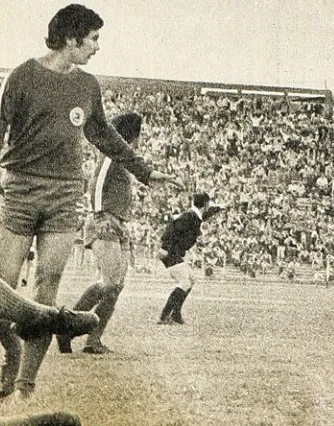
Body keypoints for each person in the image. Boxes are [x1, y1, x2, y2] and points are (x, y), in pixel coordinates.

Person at [0, 4, 182, 399]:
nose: (97, 47)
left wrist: (144, 171)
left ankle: (25, 386)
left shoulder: (87, 86)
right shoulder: (23, 76)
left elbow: (104, 135)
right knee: (5, 286)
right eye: (94, 38)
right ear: (71, 38)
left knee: (47, 286)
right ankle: (10, 350)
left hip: (65, 194)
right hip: (20, 190)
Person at [56, 113, 147, 355]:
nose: (141, 138)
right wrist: (98, 215)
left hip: (118, 224)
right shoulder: (112, 154)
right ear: (132, 134)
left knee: (115, 285)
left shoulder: (119, 157)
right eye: (140, 133)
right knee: (110, 284)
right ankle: (69, 327)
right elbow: (96, 183)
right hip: (105, 221)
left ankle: (88, 337)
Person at [157, 192, 224, 325]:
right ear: (205, 204)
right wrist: (164, 247)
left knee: (191, 280)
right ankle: (164, 316)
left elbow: (204, 215)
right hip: (170, 251)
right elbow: (172, 227)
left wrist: (219, 208)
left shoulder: (194, 215)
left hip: (173, 251)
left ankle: (175, 314)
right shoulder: (189, 216)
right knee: (185, 283)